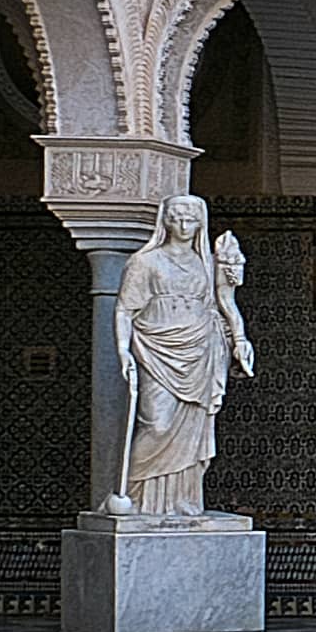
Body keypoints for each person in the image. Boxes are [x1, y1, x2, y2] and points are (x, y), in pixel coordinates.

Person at [113, 194, 254, 520]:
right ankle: (137, 494)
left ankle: (183, 502)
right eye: (176, 218)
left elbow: (225, 301)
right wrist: (122, 349)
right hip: (156, 348)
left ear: (200, 224)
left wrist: (240, 338)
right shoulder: (145, 262)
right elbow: (125, 309)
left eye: (190, 220)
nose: (183, 226)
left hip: (201, 349)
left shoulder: (205, 261)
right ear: (165, 221)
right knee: (157, 425)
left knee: (194, 428)